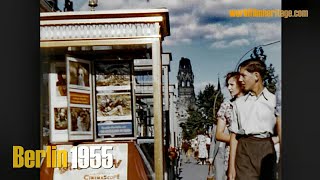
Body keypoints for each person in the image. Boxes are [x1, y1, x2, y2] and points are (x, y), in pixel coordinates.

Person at [228, 59, 281, 180]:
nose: (240, 79)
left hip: (267, 151)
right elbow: (234, 136)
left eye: (243, 75)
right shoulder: (239, 104)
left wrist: (272, 141)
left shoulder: (274, 101)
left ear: (256, 76)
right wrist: (231, 168)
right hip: (244, 150)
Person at [209, 72, 245, 180]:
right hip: (232, 152)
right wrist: (239, 140)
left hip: (252, 150)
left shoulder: (253, 103)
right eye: (227, 85)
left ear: (241, 83)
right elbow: (219, 134)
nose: (229, 88)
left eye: (232, 85)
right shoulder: (226, 105)